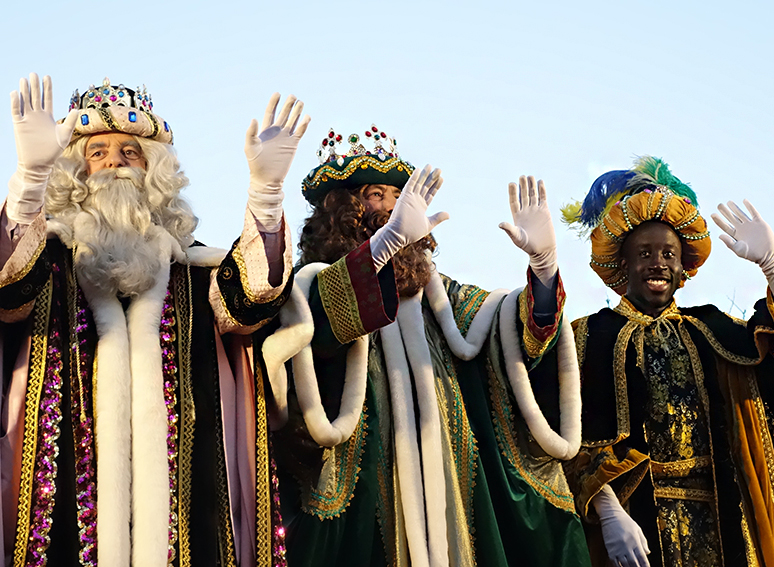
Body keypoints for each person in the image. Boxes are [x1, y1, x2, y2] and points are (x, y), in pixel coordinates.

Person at [0, 73, 308, 566]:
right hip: (56, 502)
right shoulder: (49, 261)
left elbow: (251, 304)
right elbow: (8, 292)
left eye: (130, 152)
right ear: (74, 172)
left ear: (155, 171)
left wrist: (266, 198)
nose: (114, 164)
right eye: (96, 153)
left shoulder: (193, 270)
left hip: (188, 505)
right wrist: (28, 183)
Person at [263, 127, 590, 566]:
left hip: (450, 492)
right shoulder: (308, 283)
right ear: (337, 208)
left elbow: (513, 336)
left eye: (397, 197)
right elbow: (317, 329)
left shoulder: (441, 298)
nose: (388, 208)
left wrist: (544, 271)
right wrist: (383, 247)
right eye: (374, 194)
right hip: (359, 500)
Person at [562, 156, 774, 566]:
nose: (657, 262)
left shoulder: (714, 331)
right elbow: (570, 436)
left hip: (726, 520)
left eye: (668, 253)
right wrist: (608, 511)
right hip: (635, 525)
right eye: (644, 253)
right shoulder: (589, 336)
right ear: (624, 266)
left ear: (683, 269)